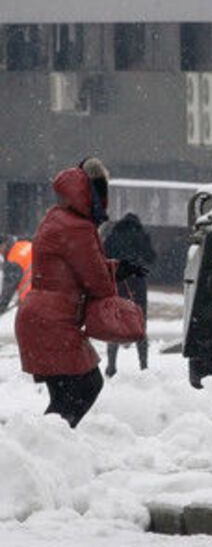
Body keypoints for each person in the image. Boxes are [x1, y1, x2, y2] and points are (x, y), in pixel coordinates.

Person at [13, 158, 142, 427]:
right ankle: (48, 448)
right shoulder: (77, 228)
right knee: (86, 385)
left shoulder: (58, 218)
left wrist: (116, 267)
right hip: (53, 321)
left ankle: (50, 448)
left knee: (66, 394)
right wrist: (114, 272)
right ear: (93, 193)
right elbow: (96, 282)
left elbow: (77, 268)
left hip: (41, 317)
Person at [102, 213, 155, 376]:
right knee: (140, 321)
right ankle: (143, 365)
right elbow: (151, 258)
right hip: (137, 284)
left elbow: (102, 256)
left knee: (115, 322)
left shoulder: (112, 236)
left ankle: (111, 366)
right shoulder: (141, 236)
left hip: (118, 283)